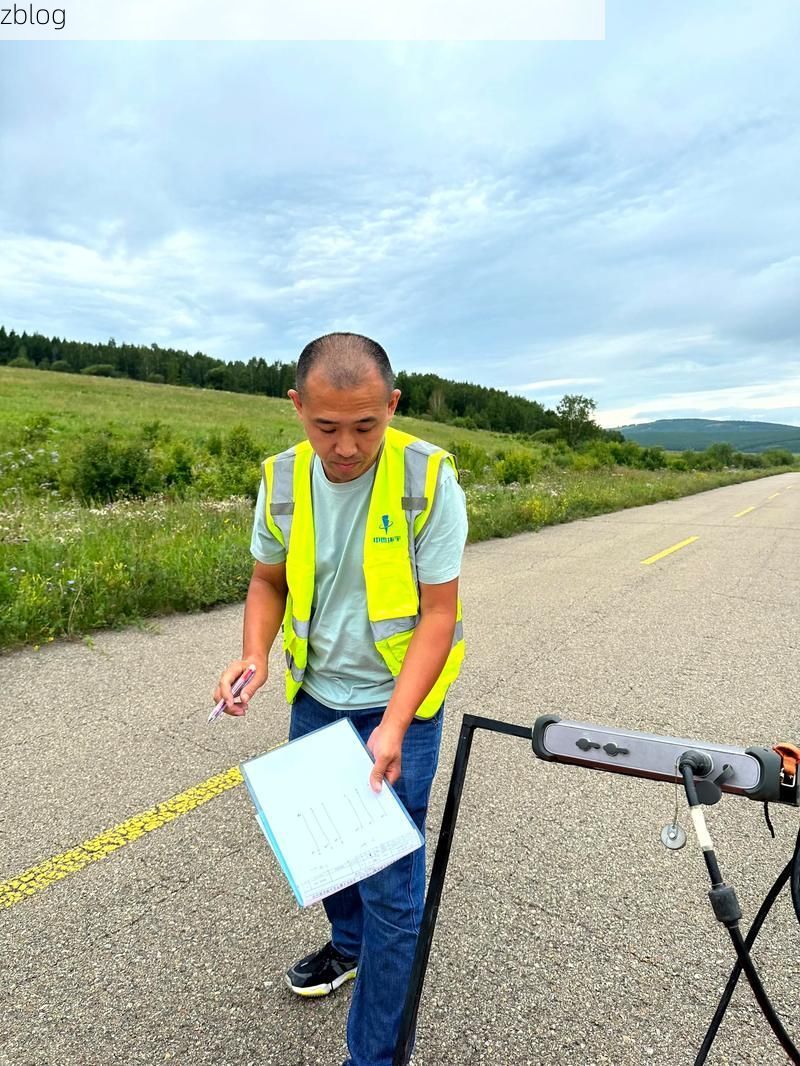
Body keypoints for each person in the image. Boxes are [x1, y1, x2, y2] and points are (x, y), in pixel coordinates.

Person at [214, 331, 468, 1066]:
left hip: (401, 708)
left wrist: (392, 724)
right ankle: (346, 944)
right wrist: (254, 657)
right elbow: (268, 581)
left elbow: (439, 615)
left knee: (393, 888)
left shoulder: (428, 477)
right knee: (325, 849)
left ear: (392, 404)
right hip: (316, 696)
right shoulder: (284, 479)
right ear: (297, 407)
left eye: (366, 425)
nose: (347, 446)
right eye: (326, 426)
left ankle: (375, 1056)